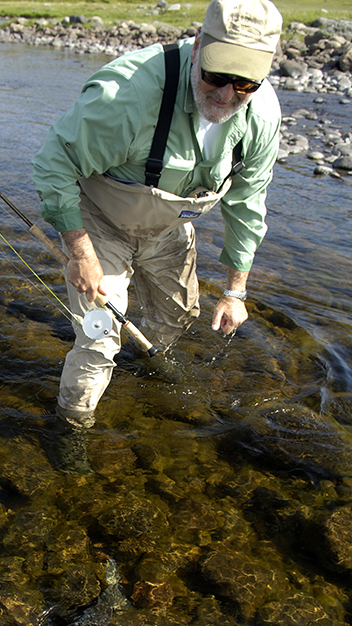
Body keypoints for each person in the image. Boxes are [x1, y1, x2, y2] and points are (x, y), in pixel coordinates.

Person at [32, 0, 283, 430]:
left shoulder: (261, 116)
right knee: (98, 340)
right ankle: (72, 430)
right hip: (100, 222)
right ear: (198, 45)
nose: (226, 95)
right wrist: (80, 252)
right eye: (216, 76)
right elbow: (55, 162)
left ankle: (143, 366)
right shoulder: (128, 95)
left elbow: (247, 203)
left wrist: (235, 292)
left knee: (179, 315)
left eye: (244, 83)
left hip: (168, 227)